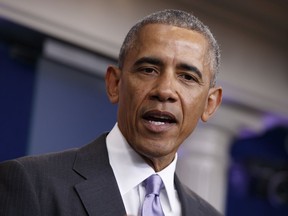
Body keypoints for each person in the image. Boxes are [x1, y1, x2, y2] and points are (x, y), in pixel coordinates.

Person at [0, 9, 223, 216]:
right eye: (148, 70)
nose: (164, 91)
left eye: (187, 77)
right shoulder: (31, 183)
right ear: (114, 84)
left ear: (210, 104)